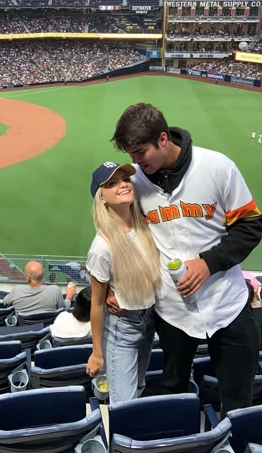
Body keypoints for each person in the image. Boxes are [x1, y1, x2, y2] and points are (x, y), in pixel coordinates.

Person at [110, 103, 262, 417]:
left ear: (163, 139)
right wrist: (115, 285)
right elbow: (119, 238)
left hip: (227, 303)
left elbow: (251, 224)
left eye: (140, 152)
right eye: (130, 154)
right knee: (172, 391)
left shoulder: (217, 167)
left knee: (238, 399)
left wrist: (209, 262)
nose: (135, 162)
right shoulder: (134, 183)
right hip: (172, 309)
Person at [86, 162, 161, 404]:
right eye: (112, 183)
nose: (123, 185)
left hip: (149, 319)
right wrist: (97, 353)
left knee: (139, 387)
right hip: (122, 328)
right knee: (124, 402)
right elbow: (96, 304)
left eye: (125, 180)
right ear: (102, 198)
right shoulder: (101, 246)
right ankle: (120, 443)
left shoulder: (146, 226)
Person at [3, 260, 76, 313]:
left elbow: (5, 302)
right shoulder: (54, 290)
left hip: (24, 329)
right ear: (43, 275)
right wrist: (69, 296)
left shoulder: (17, 291)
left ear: (28, 278)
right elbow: (63, 311)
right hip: (47, 329)